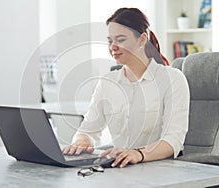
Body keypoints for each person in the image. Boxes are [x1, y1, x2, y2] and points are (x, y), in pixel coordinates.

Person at [62, 7, 190, 168]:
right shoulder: (107, 82)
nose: (113, 47)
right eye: (110, 41)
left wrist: (138, 153)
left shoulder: (172, 79)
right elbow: (87, 130)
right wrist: (80, 142)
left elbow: (173, 140)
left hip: (160, 170)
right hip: (120, 170)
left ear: (142, 40)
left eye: (120, 39)